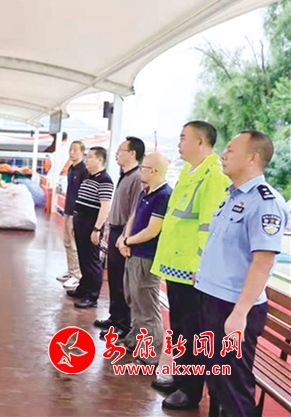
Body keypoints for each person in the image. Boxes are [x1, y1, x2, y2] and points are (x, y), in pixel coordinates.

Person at [195, 131, 288, 417]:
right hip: (211, 299)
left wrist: (240, 314)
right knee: (216, 379)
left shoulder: (265, 202)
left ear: (252, 158)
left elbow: (262, 262)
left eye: (231, 150)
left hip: (233, 306)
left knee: (233, 386)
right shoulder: (231, 197)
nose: (223, 155)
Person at [150, 121, 231, 410]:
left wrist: (201, 265)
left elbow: (209, 227)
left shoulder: (214, 176)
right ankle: (181, 376)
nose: (179, 143)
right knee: (180, 327)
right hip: (177, 265)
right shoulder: (189, 172)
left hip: (195, 270)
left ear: (200, 142)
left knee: (193, 329)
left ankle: (191, 389)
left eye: (184, 137)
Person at [117, 152, 172, 366]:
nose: (140, 170)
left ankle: (149, 355)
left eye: (144, 168)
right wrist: (124, 239)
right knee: (133, 299)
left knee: (147, 307)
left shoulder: (164, 195)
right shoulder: (146, 190)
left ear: (154, 171)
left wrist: (128, 241)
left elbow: (152, 230)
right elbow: (134, 216)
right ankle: (135, 339)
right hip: (133, 252)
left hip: (146, 256)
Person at [95, 137, 144, 339]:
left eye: (121, 150)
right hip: (115, 231)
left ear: (132, 153)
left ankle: (123, 324)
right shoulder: (124, 175)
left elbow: (135, 211)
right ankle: (114, 317)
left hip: (124, 234)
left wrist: (125, 237)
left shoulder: (137, 178)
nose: (117, 153)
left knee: (123, 281)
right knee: (114, 278)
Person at [66, 147, 113, 309]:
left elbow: (105, 207)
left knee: (92, 261)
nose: (87, 160)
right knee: (83, 258)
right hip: (80, 222)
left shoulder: (105, 180)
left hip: (91, 225)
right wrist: (75, 224)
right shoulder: (88, 178)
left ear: (99, 160)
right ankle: (83, 288)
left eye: (90, 157)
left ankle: (92, 296)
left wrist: (97, 229)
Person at [56, 141, 88, 292]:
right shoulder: (71, 168)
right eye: (70, 150)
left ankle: (77, 274)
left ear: (82, 152)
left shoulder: (83, 170)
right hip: (68, 210)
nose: (72, 153)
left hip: (77, 212)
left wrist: (79, 212)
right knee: (67, 242)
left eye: (75, 150)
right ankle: (70, 270)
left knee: (75, 244)